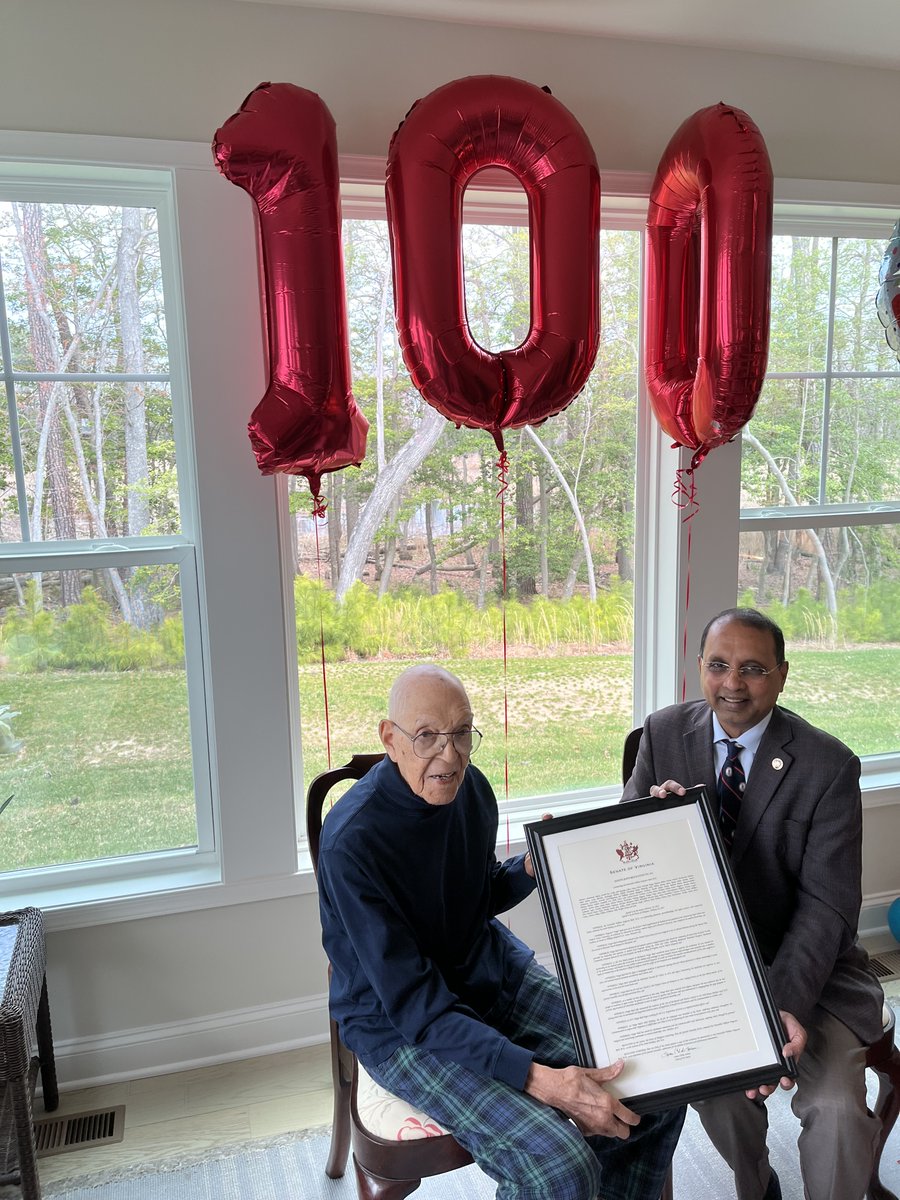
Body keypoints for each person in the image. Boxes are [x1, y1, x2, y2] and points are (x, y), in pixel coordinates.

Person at [317, 663, 685, 1200]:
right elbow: (418, 1008)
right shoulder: (351, 843)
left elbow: (473, 896)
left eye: (463, 732)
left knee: (657, 1085)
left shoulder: (470, 790)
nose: (450, 755)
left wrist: (529, 869)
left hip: (489, 976)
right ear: (389, 739)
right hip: (401, 1029)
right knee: (558, 1165)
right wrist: (541, 1079)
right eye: (427, 737)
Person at [622, 607, 884, 1200]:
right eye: (718, 665)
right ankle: (756, 1186)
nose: (732, 683)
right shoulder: (662, 735)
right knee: (719, 1090)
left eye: (753, 669)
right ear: (700, 668)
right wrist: (651, 821)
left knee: (838, 1111)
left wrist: (780, 1003)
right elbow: (623, 860)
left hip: (813, 975)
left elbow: (829, 905)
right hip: (707, 976)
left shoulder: (829, 765)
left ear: (783, 675)